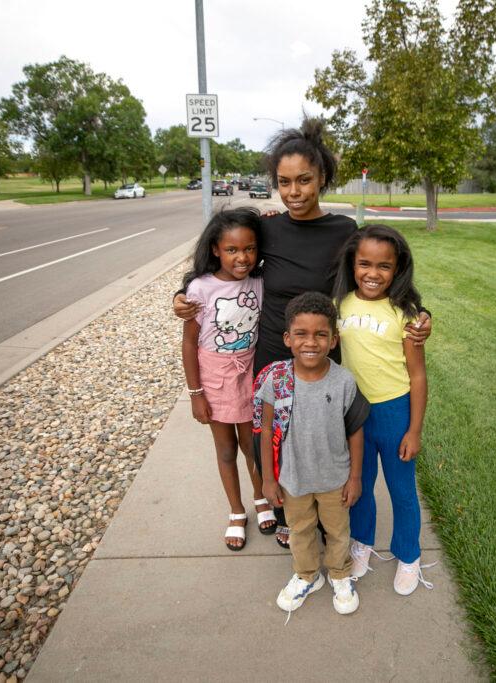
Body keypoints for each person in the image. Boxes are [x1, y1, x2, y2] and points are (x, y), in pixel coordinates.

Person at [175, 117, 432, 548]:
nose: (294, 192)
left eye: (304, 181)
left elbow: (376, 278)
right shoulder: (268, 229)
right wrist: (183, 294)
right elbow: (227, 268)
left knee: (320, 439)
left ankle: (324, 512)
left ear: (322, 179)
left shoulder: (343, 231)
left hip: (321, 356)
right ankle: (284, 512)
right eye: (285, 182)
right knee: (271, 441)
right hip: (273, 352)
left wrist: (419, 313)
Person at [333, 224, 433, 595]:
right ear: (352, 264)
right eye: (364, 264)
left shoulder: (405, 314)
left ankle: (409, 555)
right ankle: (362, 542)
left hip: (394, 410)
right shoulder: (339, 304)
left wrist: (414, 430)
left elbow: (418, 376)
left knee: (401, 487)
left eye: (384, 266)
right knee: (357, 484)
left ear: (398, 268)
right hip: (353, 413)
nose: (372, 274)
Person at [256, 292, 363, 617]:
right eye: (301, 334)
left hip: (334, 478)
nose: (310, 342)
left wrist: (355, 477)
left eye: (320, 334)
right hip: (293, 480)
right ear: (288, 338)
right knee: (300, 531)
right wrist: (269, 479)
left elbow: (355, 430)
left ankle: (340, 574)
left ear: (333, 339)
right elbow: (265, 431)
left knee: (337, 531)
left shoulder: (344, 380)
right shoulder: (277, 379)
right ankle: (306, 575)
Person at [180, 207, 277, 551]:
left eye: (249, 248)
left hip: (251, 372)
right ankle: (236, 511)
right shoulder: (199, 288)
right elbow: (189, 342)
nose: (242, 257)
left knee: (252, 446)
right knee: (226, 450)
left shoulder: (261, 281)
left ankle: (260, 498)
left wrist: (269, 219)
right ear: (215, 250)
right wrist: (196, 394)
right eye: (232, 249)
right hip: (215, 378)